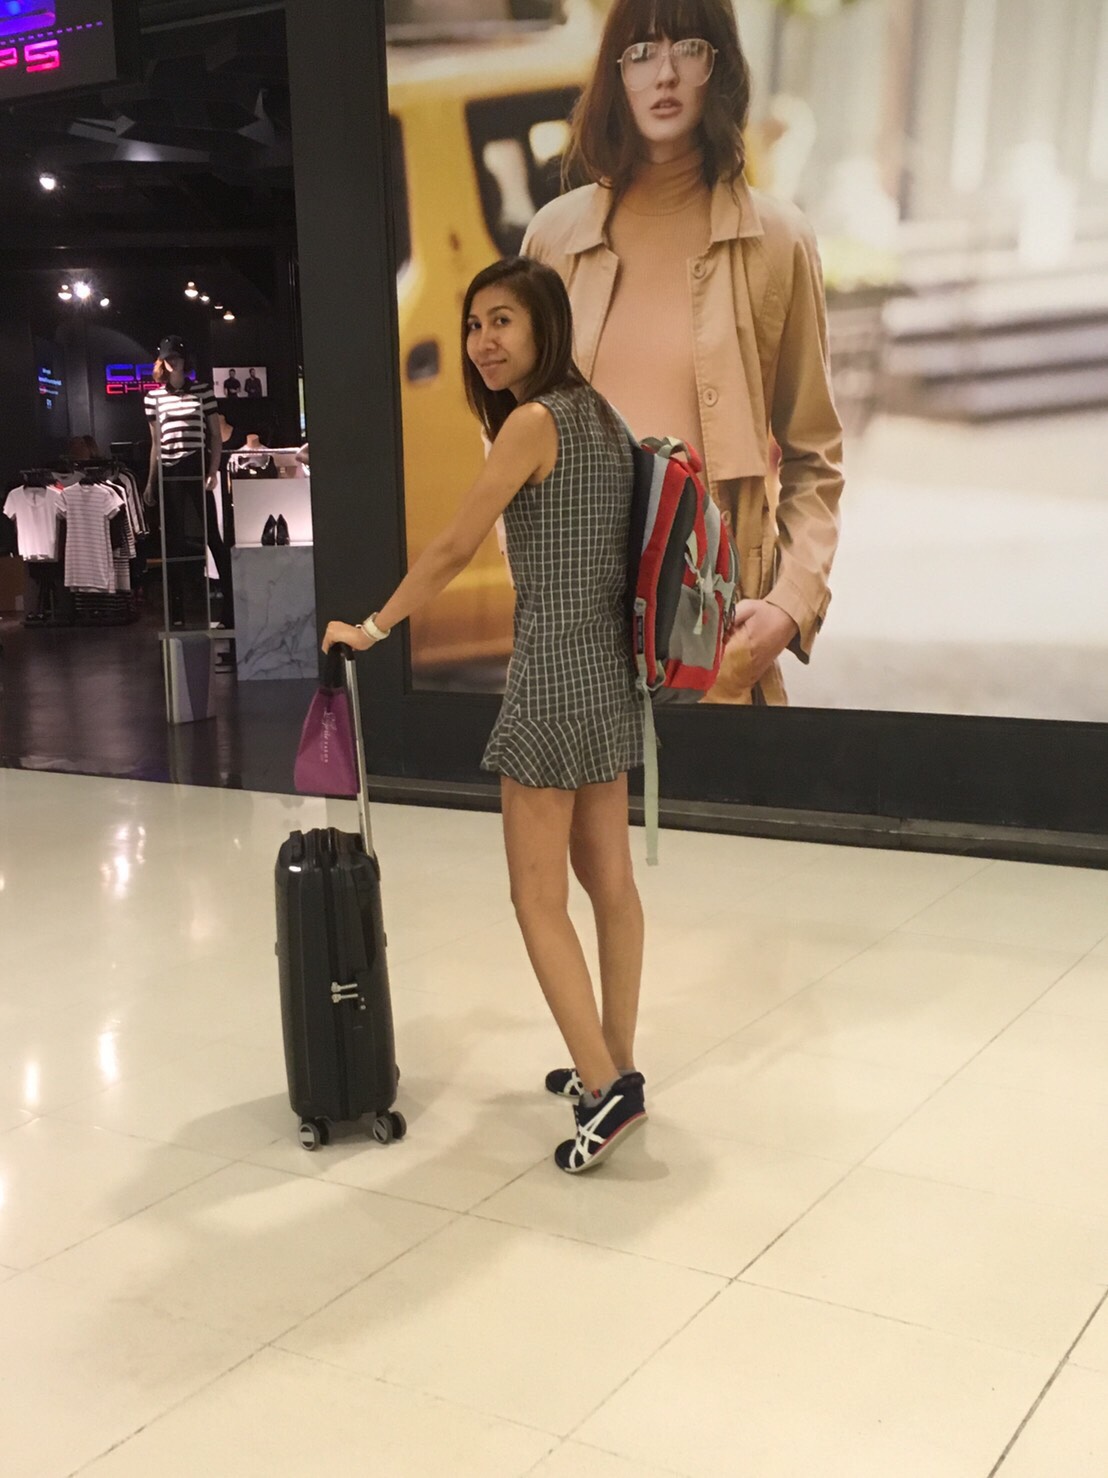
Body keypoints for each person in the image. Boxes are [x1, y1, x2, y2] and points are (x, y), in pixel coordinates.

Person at [323, 258, 647, 1174]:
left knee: (535, 899)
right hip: (608, 679)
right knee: (611, 886)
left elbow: (455, 545)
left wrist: (373, 627)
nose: (482, 342)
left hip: (549, 680)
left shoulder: (532, 423)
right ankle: (615, 1063)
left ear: (545, 324)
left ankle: (605, 1090)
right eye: (473, 325)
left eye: (502, 321)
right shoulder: (602, 416)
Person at [523, 0, 843, 705]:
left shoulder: (778, 242)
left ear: (718, 65)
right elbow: (510, 445)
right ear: (616, 76)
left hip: (719, 653)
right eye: (641, 53)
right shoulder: (553, 240)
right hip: (579, 654)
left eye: (687, 49)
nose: (664, 74)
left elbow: (815, 457)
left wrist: (788, 605)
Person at [144, 336, 234, 628]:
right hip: (170, 469)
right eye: (168, 358)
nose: (173, 362)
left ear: (184, 360)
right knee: (173, 540)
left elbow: (215, 436)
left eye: (177, 357)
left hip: (196, 464)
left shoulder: (202, 392)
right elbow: (156, 443)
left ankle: (230, 610)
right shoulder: (153, 397)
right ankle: (176, 613)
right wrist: (151, 481)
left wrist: (213, 470)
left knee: (212, 536)